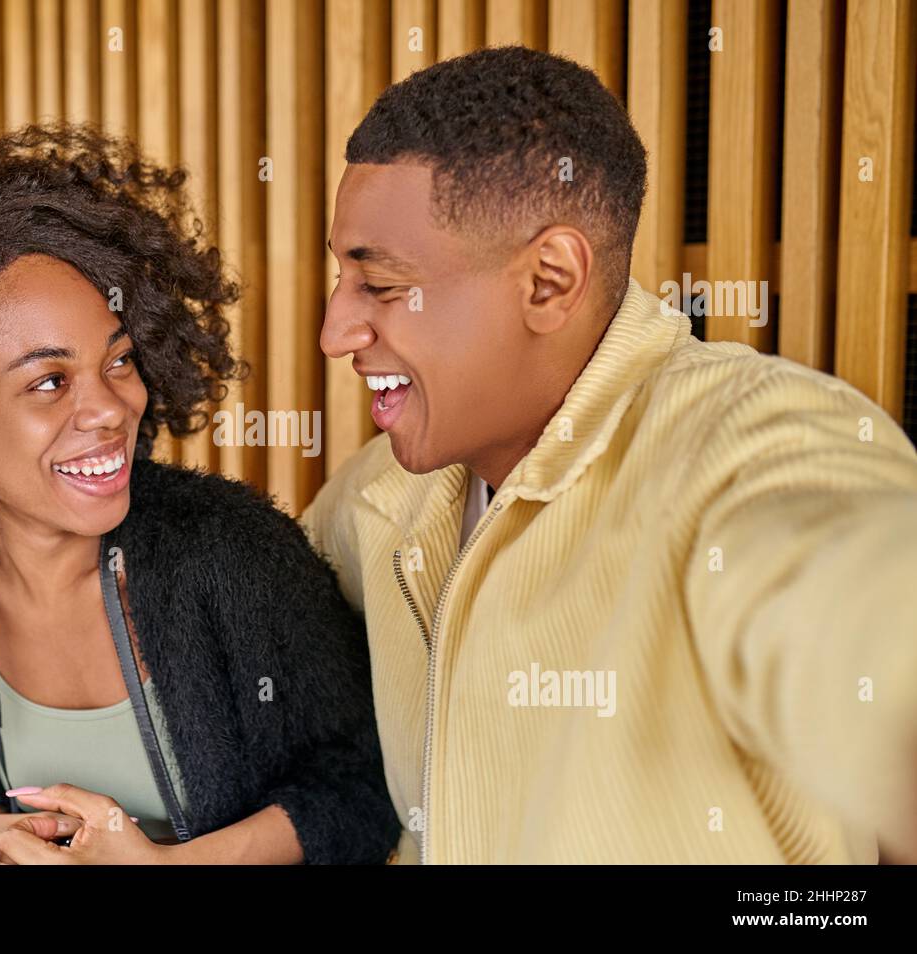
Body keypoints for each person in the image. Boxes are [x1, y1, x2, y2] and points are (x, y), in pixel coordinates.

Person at [302, 45, 917, 864]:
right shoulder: (382, 496)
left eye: (379, 287)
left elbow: (854, 608)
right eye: (342, 280)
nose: (334, 332)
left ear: (549, 281)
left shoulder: (751, 444)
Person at [0, 122, 400, 865]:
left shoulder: (232, 556)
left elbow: (362, 791)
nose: (110, 409)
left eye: (119, 361)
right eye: (50, 381)